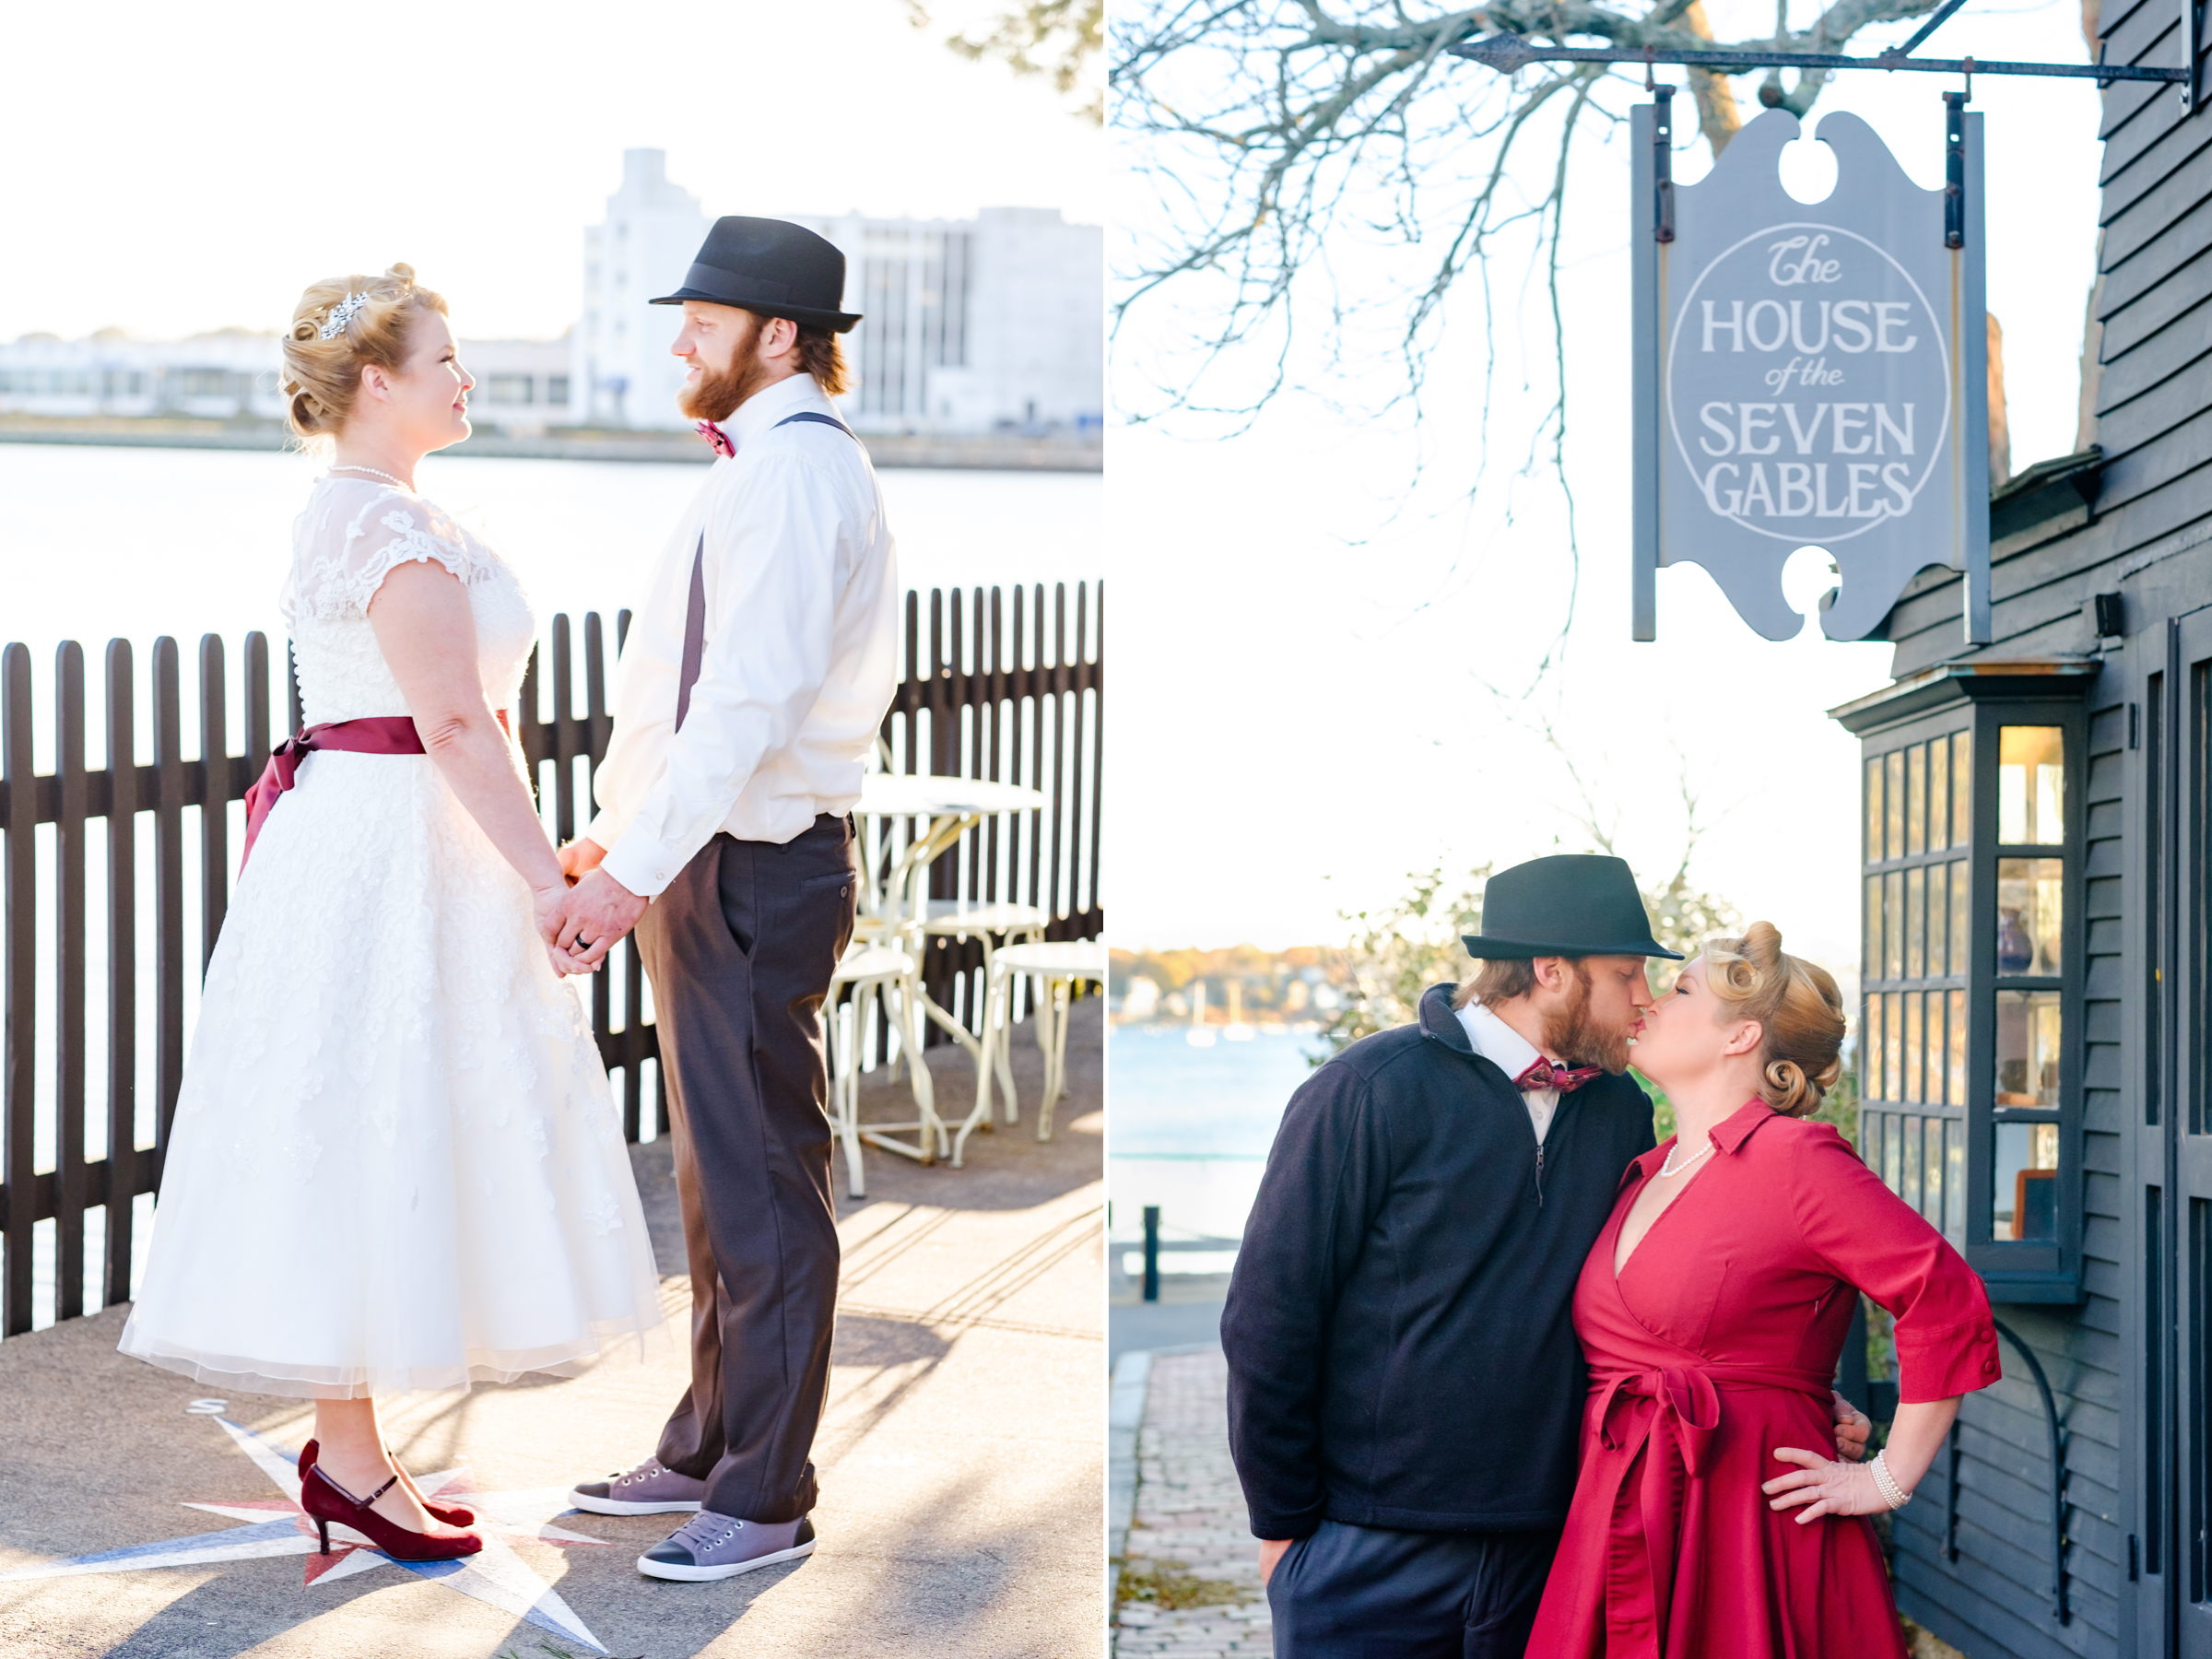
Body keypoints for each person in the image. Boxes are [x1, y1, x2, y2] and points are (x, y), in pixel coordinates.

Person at [117, 265, 664, 1563]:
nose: (464, 379)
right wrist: (545, 882)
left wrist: (549, 842)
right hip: (385, 848)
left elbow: (476, 726)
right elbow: (455, 724)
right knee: (362, 1122)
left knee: (392, 1122)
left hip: (407, 838)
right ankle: (351, 1460)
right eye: (444, 361)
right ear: (378, 383)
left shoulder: (387, 513)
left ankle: (355, 1453)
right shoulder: (378, 527)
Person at [1222, 854, 1874, 1657]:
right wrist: (1286, 1528)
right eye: (1627, 973)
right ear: (1552, 971)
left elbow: (1667, 1296)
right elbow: (1269, 1316)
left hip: (1559, 1544)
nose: (1643, 997)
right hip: (1370, 1544)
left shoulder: (1621, 1112)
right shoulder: (1368, 1090)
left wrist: (1795, 1390)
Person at [547, 218, 900, 1583]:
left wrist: (635, 872)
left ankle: (762, 1495)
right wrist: (616, 838)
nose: (680, 335)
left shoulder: (801, 474)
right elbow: (682, 698)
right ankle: (706, 1444)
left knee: (761, 1182)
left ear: (785, 336)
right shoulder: (759, 468)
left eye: (706, 314)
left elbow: (747, 703)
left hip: (757, 864)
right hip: (708, 857)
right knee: (716, 1183)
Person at [1526, 922, 2001, 1657]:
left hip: (1746, 1521)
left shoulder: (1795, 1157)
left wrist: (1885, 1478)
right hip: (1619, 1512)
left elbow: (1944, 1297)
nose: (1647, 1001)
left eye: (1680, 988)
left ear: (1740, 1036)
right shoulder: (1648, 1170)